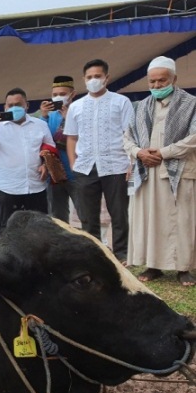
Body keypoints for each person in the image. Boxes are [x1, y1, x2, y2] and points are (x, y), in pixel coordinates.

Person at [124, 56, 196, 286]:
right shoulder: (140, 106)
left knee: (181, 221)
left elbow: (194, 138)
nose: (156, 86)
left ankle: (183, 268)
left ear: (174, 79)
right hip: (146, 171)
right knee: (149, 219)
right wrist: (138, 153)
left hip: (179, 170)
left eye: (161, 81)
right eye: (152, 82)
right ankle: (153, 265)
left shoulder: (191, 104)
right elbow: (126, 138)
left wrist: (163, 153)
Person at [65, 59, 134, 262]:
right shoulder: (76, 106)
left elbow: (130, 134)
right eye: (89, 77)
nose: (93, 80)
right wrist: (72, 162)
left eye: (97, 76)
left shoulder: (121, 102)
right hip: (85, 166)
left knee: (119, 213)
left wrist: (131, 162)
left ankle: (122, 253)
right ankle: (95, 255)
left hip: (116, 164)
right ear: (84, 80)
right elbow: (71, 137)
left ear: (107, 78)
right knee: (88, 215)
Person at [0, 88, 54, 229]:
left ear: (26, 106)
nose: (14, 108)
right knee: (10, 230)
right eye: (10, 105)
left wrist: (45, 164)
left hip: (36, 186)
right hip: (8, 189)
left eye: (18, 104)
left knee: (39, 229)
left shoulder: (40, 125)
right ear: (5, 107)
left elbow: (49, 147)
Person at [37, 75, 79, 223]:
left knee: (84, 213)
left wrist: (69, 118)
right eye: (55, 95)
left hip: (76, 173)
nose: (58, 97)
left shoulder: (79, 111)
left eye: (62, 94)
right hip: (55, 174)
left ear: (72, 94)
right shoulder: (51, 116)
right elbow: (42, 138)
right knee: (57, 217)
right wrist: (43, 116)